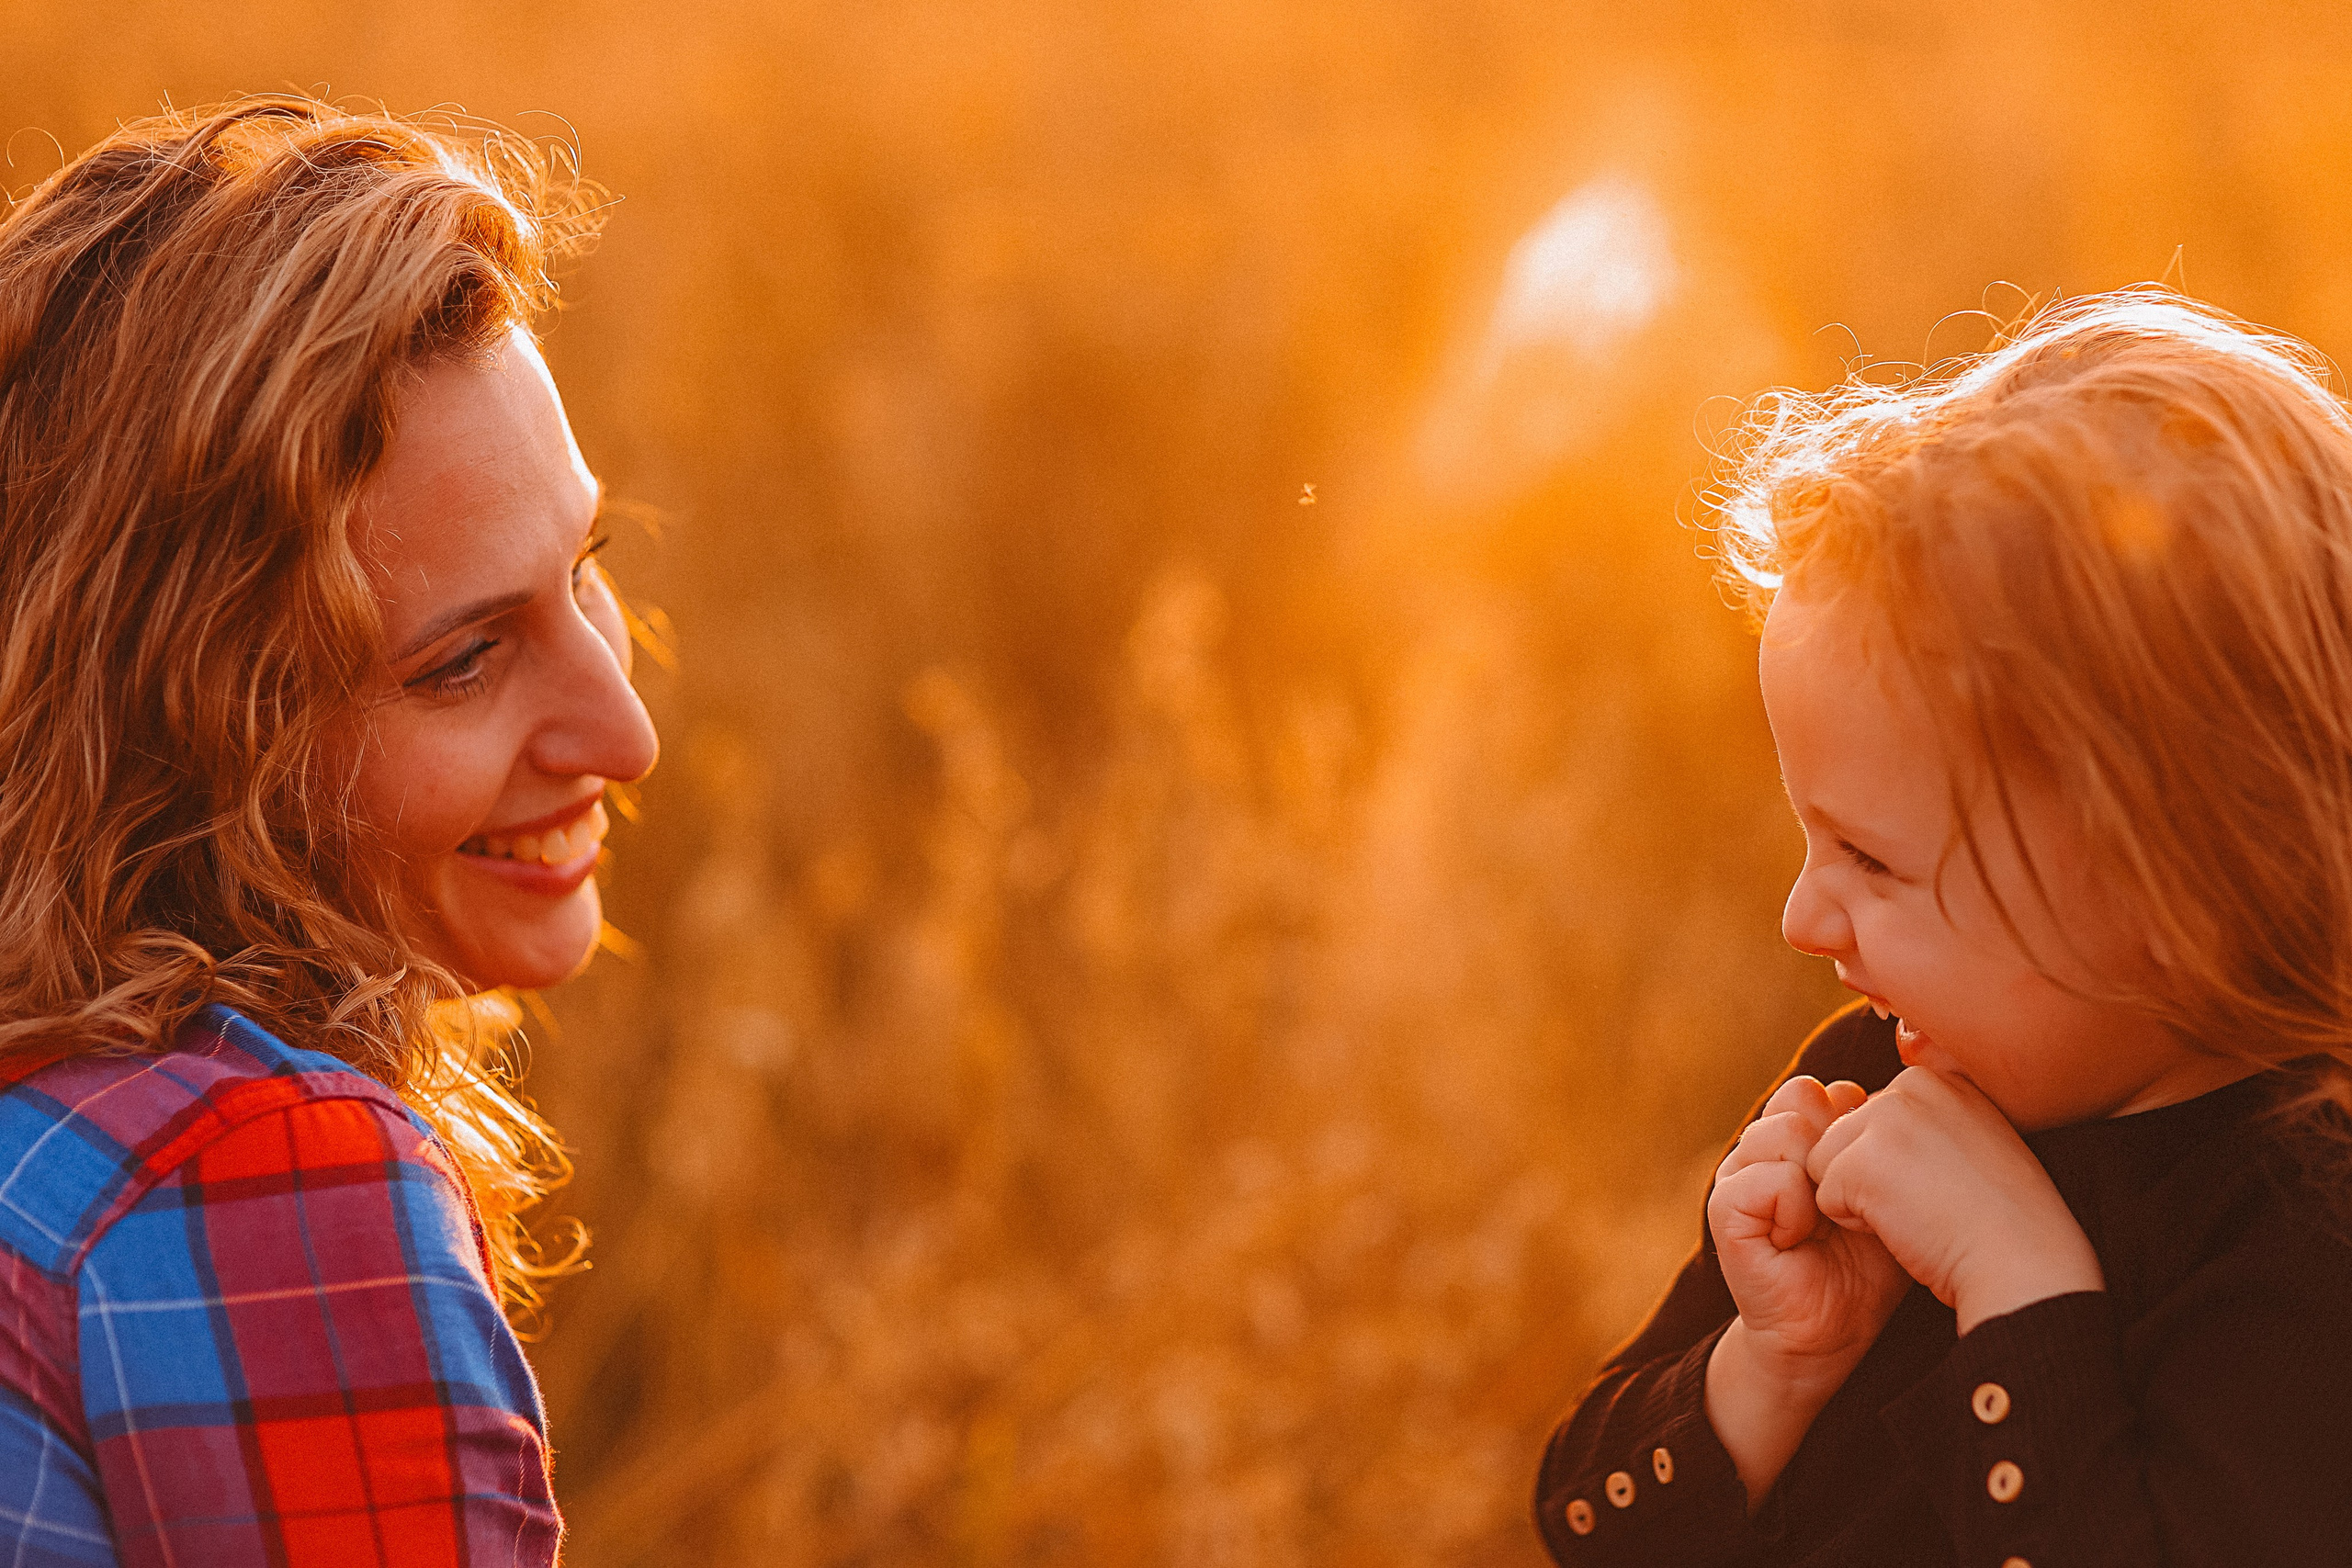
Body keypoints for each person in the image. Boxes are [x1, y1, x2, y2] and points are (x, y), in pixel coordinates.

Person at [1534, 290, 2352, 1567]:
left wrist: (2019, 1289)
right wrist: (1774, 1361)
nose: (1804, 917)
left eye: (1870, 856)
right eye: (1812, 838)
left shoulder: (2307, 1238)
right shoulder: (1866, 1078)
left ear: (2173, 883)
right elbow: (1590, 1527)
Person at [0, 98, 657, 1564]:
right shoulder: (260, 1188)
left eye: (588, 567)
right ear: (189, 739)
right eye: (462, 660)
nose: (628, 733)